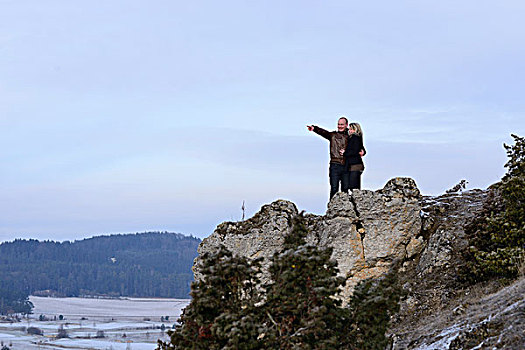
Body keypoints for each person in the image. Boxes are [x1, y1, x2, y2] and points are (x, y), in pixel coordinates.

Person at [307, 117, 350, 199]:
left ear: (346, 125)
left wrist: (361, 151)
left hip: (346, 166)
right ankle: (332, 209)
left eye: (341, 124)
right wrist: (314, 128)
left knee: (345, 189)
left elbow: (357, 146)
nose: (339, 126)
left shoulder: (350, 136)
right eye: (338, 124)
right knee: (334, 188)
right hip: (334, 165)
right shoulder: (333, 135)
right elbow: (324, 132)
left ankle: (346, 209)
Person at [340, 122, 365, 190]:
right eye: (349, 129)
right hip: (354, 165)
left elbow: (354, 151)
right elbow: (361, 149)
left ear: (356, 130)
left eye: (351, 129)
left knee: (353, 186)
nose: (349, 131)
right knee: (353, 186)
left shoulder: (355, 138)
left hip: (355, 165)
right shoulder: (356, 138)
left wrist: (345, 153)